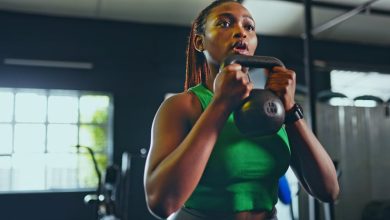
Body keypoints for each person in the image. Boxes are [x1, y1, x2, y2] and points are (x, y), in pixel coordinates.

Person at [143, 0, 339, 219]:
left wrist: (291, 110)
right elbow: (161, 203)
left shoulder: (272, 107)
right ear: (200, 42)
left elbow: (329, 190)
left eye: (249, 27)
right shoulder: (183, 106)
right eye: (224, 23)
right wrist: (220, 104)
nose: (240, 32)